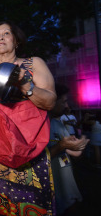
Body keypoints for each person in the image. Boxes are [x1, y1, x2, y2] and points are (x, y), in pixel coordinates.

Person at [0, 21, 56, 215]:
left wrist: (25, 85)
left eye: (6, 33)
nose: (0, 37)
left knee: (22, 201)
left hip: (24, 147)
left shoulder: (33, 63)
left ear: (16, 41)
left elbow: (50, 101)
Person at [48, 84, 89, 215]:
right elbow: (36, 159)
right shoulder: (40, 126)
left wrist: (79, 146)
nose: (66, 106)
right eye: (64, 101)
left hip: (67, 184)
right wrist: (61, 146)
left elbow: (73, 152)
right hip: (52, 189)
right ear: (53, 101)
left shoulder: (58, 123)